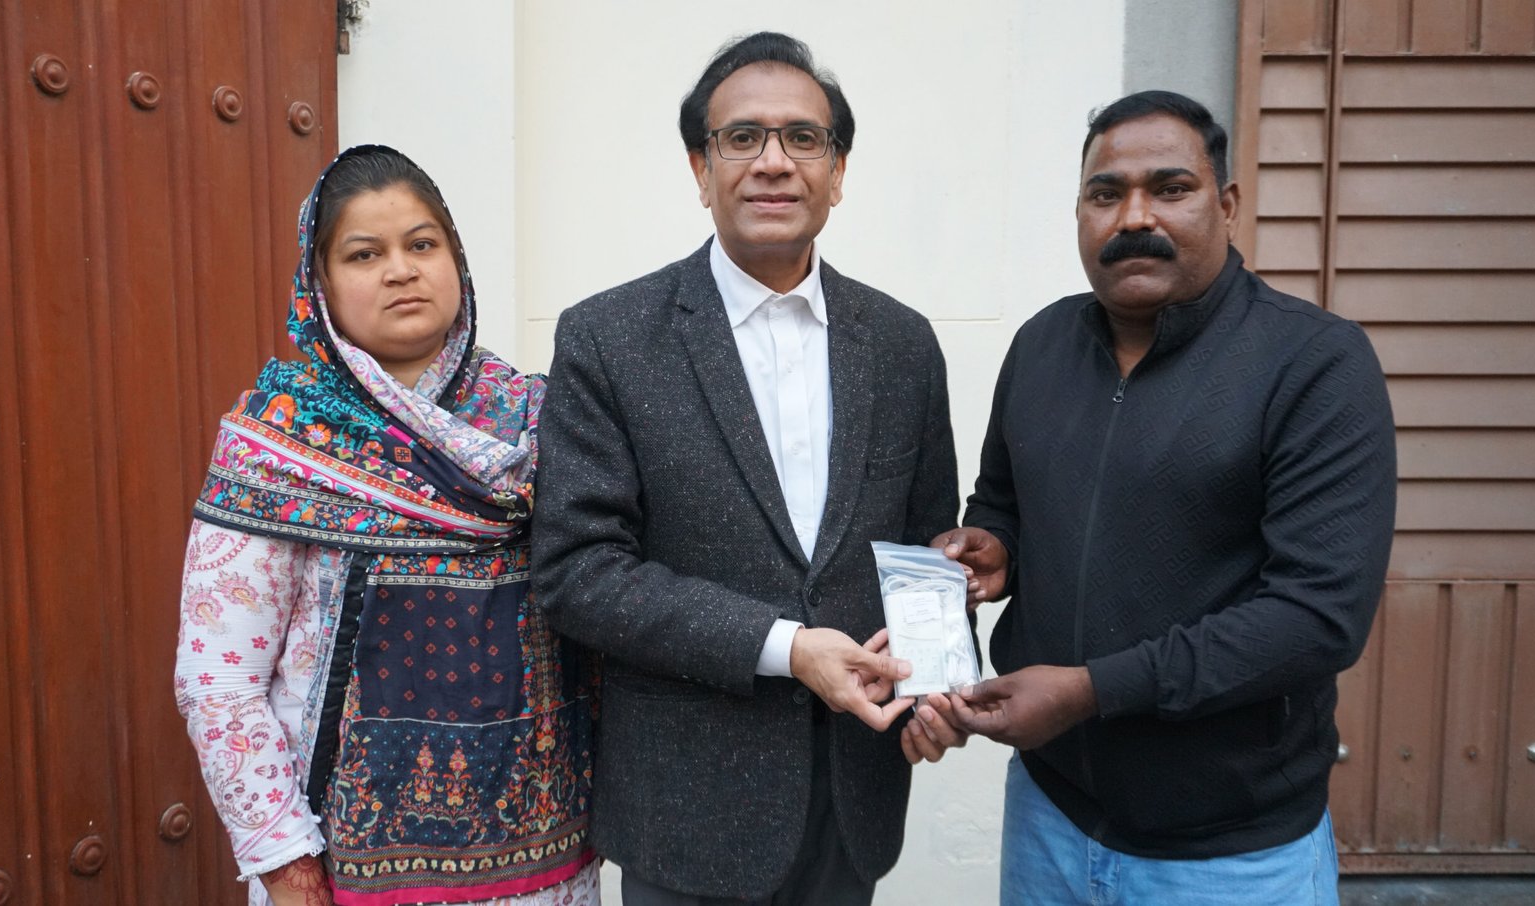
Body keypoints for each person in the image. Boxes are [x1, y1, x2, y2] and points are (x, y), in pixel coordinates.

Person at [928, 91, 1397, 904]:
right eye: (1105, 194)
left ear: (1228, 204)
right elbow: (1001, 499)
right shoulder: (1041, 345)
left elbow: (1318, 617)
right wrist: (995, 545)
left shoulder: (1314, 365)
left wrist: (1089, 692)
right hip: (1050, 817)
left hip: (1231, 856)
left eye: (1170, 188)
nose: (1134, 217)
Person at [531, 32, 962, 906]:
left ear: (838, 172)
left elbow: (924, 551)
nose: (774, 161)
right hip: (687, 811)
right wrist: (787, 649)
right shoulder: (609, 338)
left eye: (803, 138)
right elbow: (579, 573)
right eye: (742, 138)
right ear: (701, 169)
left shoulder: (902, 344)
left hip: (852, 798)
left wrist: (936, 689)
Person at [173, 146, 597, 906]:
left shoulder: (544, 420)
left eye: (422, 245)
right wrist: (286, 864)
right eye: (365, 254)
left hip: (546, 860)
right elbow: (219, 679)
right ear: (320, 283)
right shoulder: (279, 443)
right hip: (335, 868)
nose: (401, 270)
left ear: (456, 261)